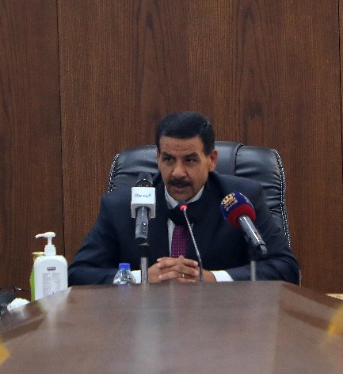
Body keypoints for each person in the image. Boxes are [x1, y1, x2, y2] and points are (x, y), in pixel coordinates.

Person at [69, 111, 298, 284]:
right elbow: (78, 273)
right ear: (157, 158)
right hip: (145, 324)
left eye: (190, 160)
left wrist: (213, 279)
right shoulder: (120, 206)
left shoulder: (240, 200)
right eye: (168, 159)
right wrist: (140, 278)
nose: (177, 172)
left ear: (212, 160)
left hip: (222, 323)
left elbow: (286, 268)